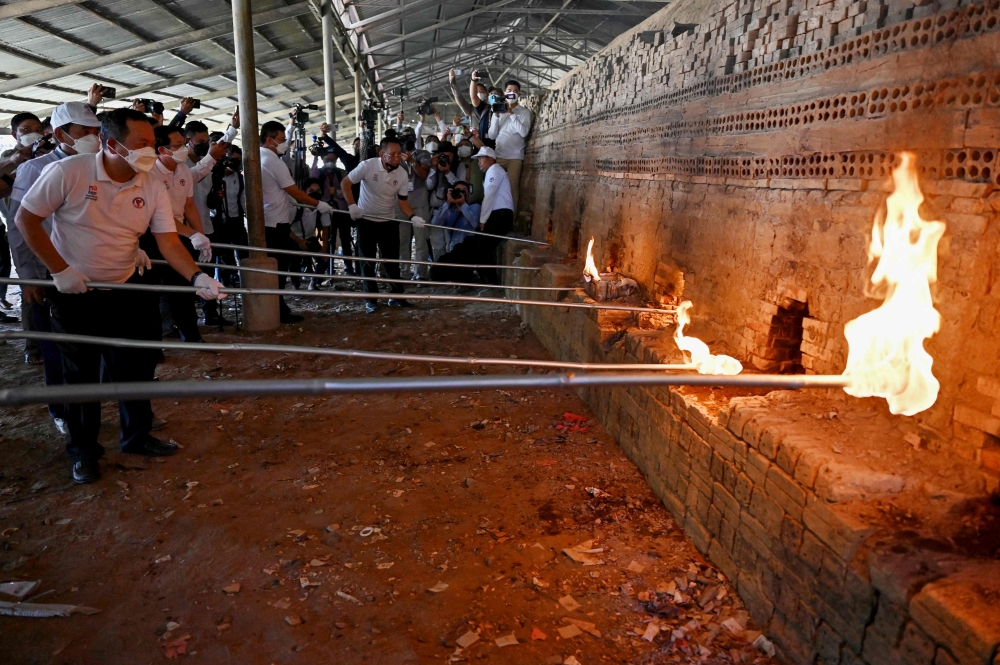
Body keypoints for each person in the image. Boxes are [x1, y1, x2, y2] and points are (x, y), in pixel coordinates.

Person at [14, 108, 225, 484]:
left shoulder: (150, 184)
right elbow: (26, 220)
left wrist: (196, 277)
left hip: (128, 285)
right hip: (76, 290)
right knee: (81, 377)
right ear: (112, 145)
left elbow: (167, 241)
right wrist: (59, 270)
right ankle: (83, 452)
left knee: (136, 366)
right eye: (142, 143)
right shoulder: (69, 172)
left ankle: (137, 436)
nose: (151, 149)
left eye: (152, 142)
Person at [7, 101, 102, 430]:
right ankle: (61, 410)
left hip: (90, 269)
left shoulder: (99, 166)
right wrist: (29, 276)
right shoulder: (35, 168)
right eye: (84, 131)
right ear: (61, 134)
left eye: (96, 131)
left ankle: (90, 406)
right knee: (55, 345)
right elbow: (19, 228)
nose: (93, 137)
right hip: (49, 270)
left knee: (90, 346)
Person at [259, 120, 333, 323]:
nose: (284, 144)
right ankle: (277, 311)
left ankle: (277, 307)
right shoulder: (273, 160)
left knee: (277, 269)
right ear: (269, 140)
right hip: (276, 223)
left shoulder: (260, 156)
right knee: (279, 269)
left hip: (269, 220)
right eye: (281, 140)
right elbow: (293, 191)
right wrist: (318, 205)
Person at [341, 136, 425, 313]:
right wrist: (352, 205)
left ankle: (397, 296)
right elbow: (346, 183)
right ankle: (371, 299)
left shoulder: (402, 173)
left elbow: (402, 202)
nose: (396, 158)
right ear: (382, 154)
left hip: (388, 222)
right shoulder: (367, 166)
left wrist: (413, 217)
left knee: (392, 262)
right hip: (366, 221)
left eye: (399, 154)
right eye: (392, 154)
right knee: (367, 262)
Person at [148, 124, 213, 342]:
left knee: (185, 287)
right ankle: (152, 345)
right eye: (177, 145)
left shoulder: (183, 168)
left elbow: (189, 206)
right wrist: (193, 234)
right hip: (152, 237)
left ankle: (191, 335)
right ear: (161, 150)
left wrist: (201, 235)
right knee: (150, 294)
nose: (183, 148)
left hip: (180, 233)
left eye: (183, 143)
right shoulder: (149, 173)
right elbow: (157, 218)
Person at [486, 80, 531, 212]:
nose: (512, 93)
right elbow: (492, 135)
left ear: (519, 94)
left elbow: (523, 133)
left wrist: (511, 114)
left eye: (515, 91)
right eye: (509, 91)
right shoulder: (497, 110)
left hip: (515, 157)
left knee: (512, 188)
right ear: (504, 93)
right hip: (499, 155)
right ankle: (492, 215)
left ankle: (512, 218)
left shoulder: (524, 112)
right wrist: (496, 115)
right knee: (493, 185)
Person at [471, 146, 514, 284]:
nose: (479, 162)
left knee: (482, 248)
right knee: (480, 245)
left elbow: (489, 195)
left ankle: (490, 282)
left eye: (481, 158)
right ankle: (485, 279)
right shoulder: (492, 171)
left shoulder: (494, 169)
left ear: (491, 159)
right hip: (497, 214)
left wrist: (483, 219)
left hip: (501, 215)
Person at [398, 146, 432, 280]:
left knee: (421, 241)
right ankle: (403, 272)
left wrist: (412, 161)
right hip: (401, 202)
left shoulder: (423, 154)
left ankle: (420, 273)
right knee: (402, 240)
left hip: (420, 202)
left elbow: (423, 175)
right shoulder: (396, 156)